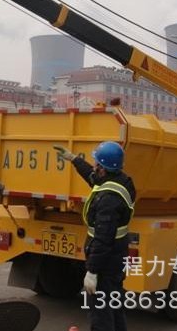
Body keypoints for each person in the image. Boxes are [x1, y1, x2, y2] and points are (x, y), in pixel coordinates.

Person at [55, 141, 136, 331]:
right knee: (115, 306)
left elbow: (102, 239)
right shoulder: (121, 182)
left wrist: (92, 271)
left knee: (101, 313)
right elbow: (93, 178)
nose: (95, 167)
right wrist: (75, 160)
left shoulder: (108, 199)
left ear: (104, 167)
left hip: (105, 263)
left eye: (97, 164)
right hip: (116, 257)